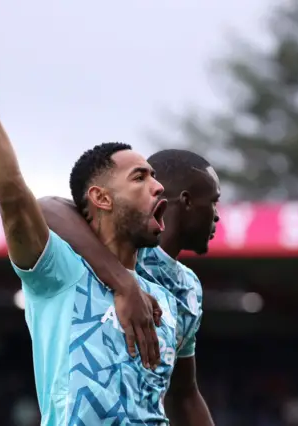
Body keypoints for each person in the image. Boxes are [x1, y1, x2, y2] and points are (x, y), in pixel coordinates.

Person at [0, 34, 179, 424]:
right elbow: (13, 194)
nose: (158, 186)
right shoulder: (59, 271)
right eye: (140, 177)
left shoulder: (163, 298)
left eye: (155, 177)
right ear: (101, 198)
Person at [39, 149, 220, 425]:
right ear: (186, 201)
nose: (217, 216)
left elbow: (184, 393)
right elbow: (46, 207)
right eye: (214, 202)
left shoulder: (188, 289)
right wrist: (125, 283)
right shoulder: (127, 243)